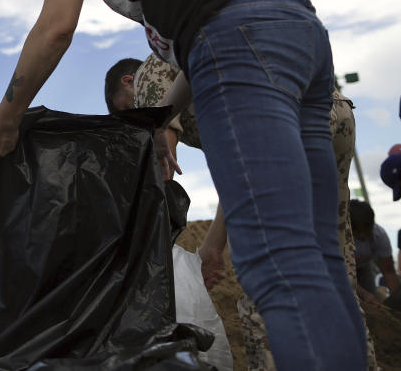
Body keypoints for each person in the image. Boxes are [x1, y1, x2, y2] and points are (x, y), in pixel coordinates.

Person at [0, 0, 365, 369]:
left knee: (277, 262)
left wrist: (8, 118)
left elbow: (57, 24)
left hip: (235, 40)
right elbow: (227, 17)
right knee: (321, 259)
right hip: (304, 37)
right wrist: (162, 121)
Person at [110, 56, 378, 370]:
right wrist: (213, 244)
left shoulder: (149, 73)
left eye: (128, 111)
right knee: (335, 276)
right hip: (329, 112)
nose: (136, 123)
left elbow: (161, 162)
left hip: (275, 126)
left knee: (268, 289)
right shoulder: (208, 68)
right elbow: (242, 172)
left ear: (128, 82)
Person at [349, 199, 399, 297]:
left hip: (364, 267)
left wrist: (396, 297)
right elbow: (344, 273)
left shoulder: (379, 235)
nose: (363, 235)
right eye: (358, 232)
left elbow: (388, 271)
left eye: (367, 230)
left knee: (372, 297)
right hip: (342, 269)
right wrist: (364, 294)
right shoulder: (341, 237)